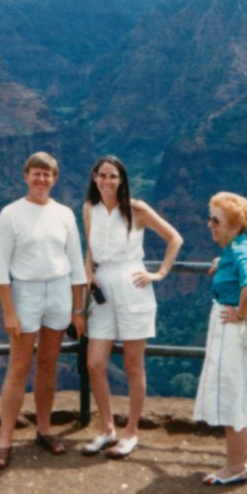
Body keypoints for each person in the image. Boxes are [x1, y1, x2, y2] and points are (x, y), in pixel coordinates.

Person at [80, 155, 183, 460]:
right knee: (94, 364)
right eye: (101, 176)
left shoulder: (136, 209)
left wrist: (160, 273)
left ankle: (131, 432)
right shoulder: (89, 209)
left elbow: (174, 238)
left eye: (112, 176)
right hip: (102, 288)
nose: (106, 181)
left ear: (122, 180)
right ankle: (107, 428)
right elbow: (89, 247)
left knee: (132, 365)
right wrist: (88, 273)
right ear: (94, 178)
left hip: (133, 285)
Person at [0, 152, 87, 470]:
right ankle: (4, 441)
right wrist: (9, 312)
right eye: (36, 174)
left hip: (58, 290)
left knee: (48, 363)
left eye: (47, 174)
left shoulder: (64, 214)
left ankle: (43, 430)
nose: (41, 180)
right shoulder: (11, 214)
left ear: (55, 179)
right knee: (19, 366)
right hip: (26, 292)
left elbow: (75, 262)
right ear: (25, 176)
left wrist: (77, 309)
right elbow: (0, 267)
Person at [192, 192, 247, 485]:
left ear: (233, 225)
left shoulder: (239, 250)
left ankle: (235, 466)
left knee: (234, 395)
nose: (209, 224)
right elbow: (241, 261)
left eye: (216, 220)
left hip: (234, 332)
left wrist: (240, 313)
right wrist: (222, 262)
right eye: (209, 217)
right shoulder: (241, 246)